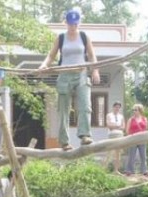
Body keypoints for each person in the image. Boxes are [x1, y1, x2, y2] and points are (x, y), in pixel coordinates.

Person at [38, 8, 100, 151]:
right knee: (63, 110)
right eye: (70, 24)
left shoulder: (84, 36)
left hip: (81, 74)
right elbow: (51, 56)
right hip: (64, 75)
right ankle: (64, 142)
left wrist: (95, 70)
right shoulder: (61, 38)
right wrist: (43, 65)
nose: (73, 27)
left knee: (85, 106)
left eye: (75, 24)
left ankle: (84, 135)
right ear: (66, 23)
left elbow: (91, 55)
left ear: (79, 23)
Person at [125, 103, 148, 176]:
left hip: (142, 139)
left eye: (135, 110)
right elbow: (127, 130)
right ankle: (129, 171)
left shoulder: (144, 119)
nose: (134, 111)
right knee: (131, 155)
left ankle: (144, 170)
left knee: (143, 156)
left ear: (140, 111)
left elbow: (146, 129)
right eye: (133, 110)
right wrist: (130, 137)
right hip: (133, 139)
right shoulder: (131, 119)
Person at [106, 101, 125, 174]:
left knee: (118, 153)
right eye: (116, 107)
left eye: (118, 107)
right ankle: (104, 169)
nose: (117, 108)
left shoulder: (121, 116)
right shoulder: (109, 115)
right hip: (111, 135)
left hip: (120, 135)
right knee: (109, 152)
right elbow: (109, 125)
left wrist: (114, 126)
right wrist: (117, 126)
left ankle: (116, 170)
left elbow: (123, 127)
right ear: (113, 107)